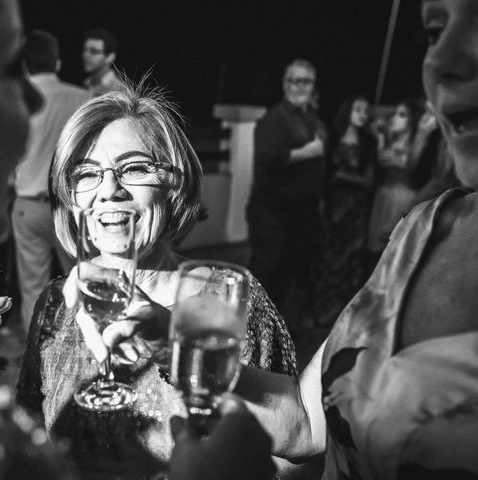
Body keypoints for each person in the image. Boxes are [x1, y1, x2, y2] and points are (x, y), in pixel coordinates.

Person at [0, 1, 275, 479]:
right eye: (9, 68)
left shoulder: (228, 303)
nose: (33, 99)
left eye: (135, 168)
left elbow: (298, 438)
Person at [100, 1, 478, 478]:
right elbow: (304, 417)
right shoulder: (420, 229)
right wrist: (172, 347)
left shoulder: (314, 123)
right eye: (433, 32)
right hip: (275, 220)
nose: (441, 60)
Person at [16, 85, 297, 479]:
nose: (108, 191)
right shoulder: (55, 303)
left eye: (133, 168)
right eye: (86, 174)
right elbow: (30, 434)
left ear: (174, 186)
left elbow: (289, 457)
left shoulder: (228, 302)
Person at [12, 30, 90, 330]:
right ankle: (86, 343)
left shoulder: (17, 98)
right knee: (83, 278)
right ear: (57, 63)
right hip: (69, 206)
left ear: (25, 64)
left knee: (33, 286)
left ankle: (36, 350)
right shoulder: (80, 98)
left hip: (28, 203)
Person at [246, 58, 327, 321]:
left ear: (313, 85)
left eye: (304, 81)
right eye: (293, 79)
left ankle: (271, 337)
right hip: (272, 214)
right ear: (284, 83)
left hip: (299, 215)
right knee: (264, 277)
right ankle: (249, 335)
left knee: (284, 279)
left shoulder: (310, 117)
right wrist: (307, 153)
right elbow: (268, 158)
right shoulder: (275, 118)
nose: (298, 86)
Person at [310, 96, 377, 327]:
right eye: (358, 109)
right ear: (347, 111)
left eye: (366, 110)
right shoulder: (334, 137)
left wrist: (343, 176)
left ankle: (341, 315)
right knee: (328, 257)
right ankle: (321, 310)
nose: (363, 114)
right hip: (333, 204)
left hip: (356, 209)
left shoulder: (369, 142)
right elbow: (323, 172)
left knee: (350, 259)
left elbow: (369, 180)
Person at [367, 99, 424, 262]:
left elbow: (413, 167)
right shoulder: (393, 139)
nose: (394, 118)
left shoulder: (415, 143)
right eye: (395, 114)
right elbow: (381, 159)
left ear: (412, 119)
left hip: (400, 198)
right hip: (384, 193)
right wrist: (380, 137)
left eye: (402, 115)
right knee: (377, 247)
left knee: (393, 249)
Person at [82, 28, 126, 98]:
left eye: (93, 51)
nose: (86, 55)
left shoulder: (120, 91)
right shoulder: (87, 83)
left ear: (110, 57)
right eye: (85, 50)